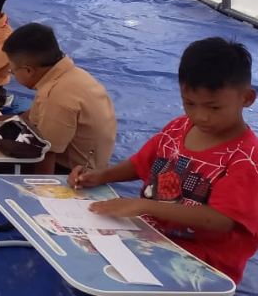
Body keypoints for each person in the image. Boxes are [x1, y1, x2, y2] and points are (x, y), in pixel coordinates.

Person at [70, 38, 258, 283]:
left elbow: (222, 220)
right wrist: (100, 175)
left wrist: (145, 206)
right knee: (79, 250)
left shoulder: (246, 159)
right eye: (189, 103)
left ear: (247, 98)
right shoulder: (179, 127)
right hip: (149, 238)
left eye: (214, 107)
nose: (200, 116)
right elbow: (141, 163)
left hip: (201, 266)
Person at [3, 23, 117, 174]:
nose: (12, 74)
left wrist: (40, 190)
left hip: (74, 173)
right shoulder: (73, 75)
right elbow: (31, 116)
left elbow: (47, 153)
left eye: (12, 70)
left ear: (29, 70)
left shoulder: (56, 95)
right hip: (94, 164)